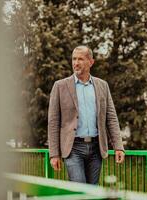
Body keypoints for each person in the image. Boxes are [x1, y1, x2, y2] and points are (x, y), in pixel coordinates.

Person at [48, 45, 125, 184]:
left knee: (91, 192)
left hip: (96, 148)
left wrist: (118, 146)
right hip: (73, 148)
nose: (76, 63)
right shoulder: (60, 86)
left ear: (91, 62)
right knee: (79, 188)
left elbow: (111, 117)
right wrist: (54, 154)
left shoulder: (102, 85)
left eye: (80, 59)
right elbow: (53, 122)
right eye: (74, 59)